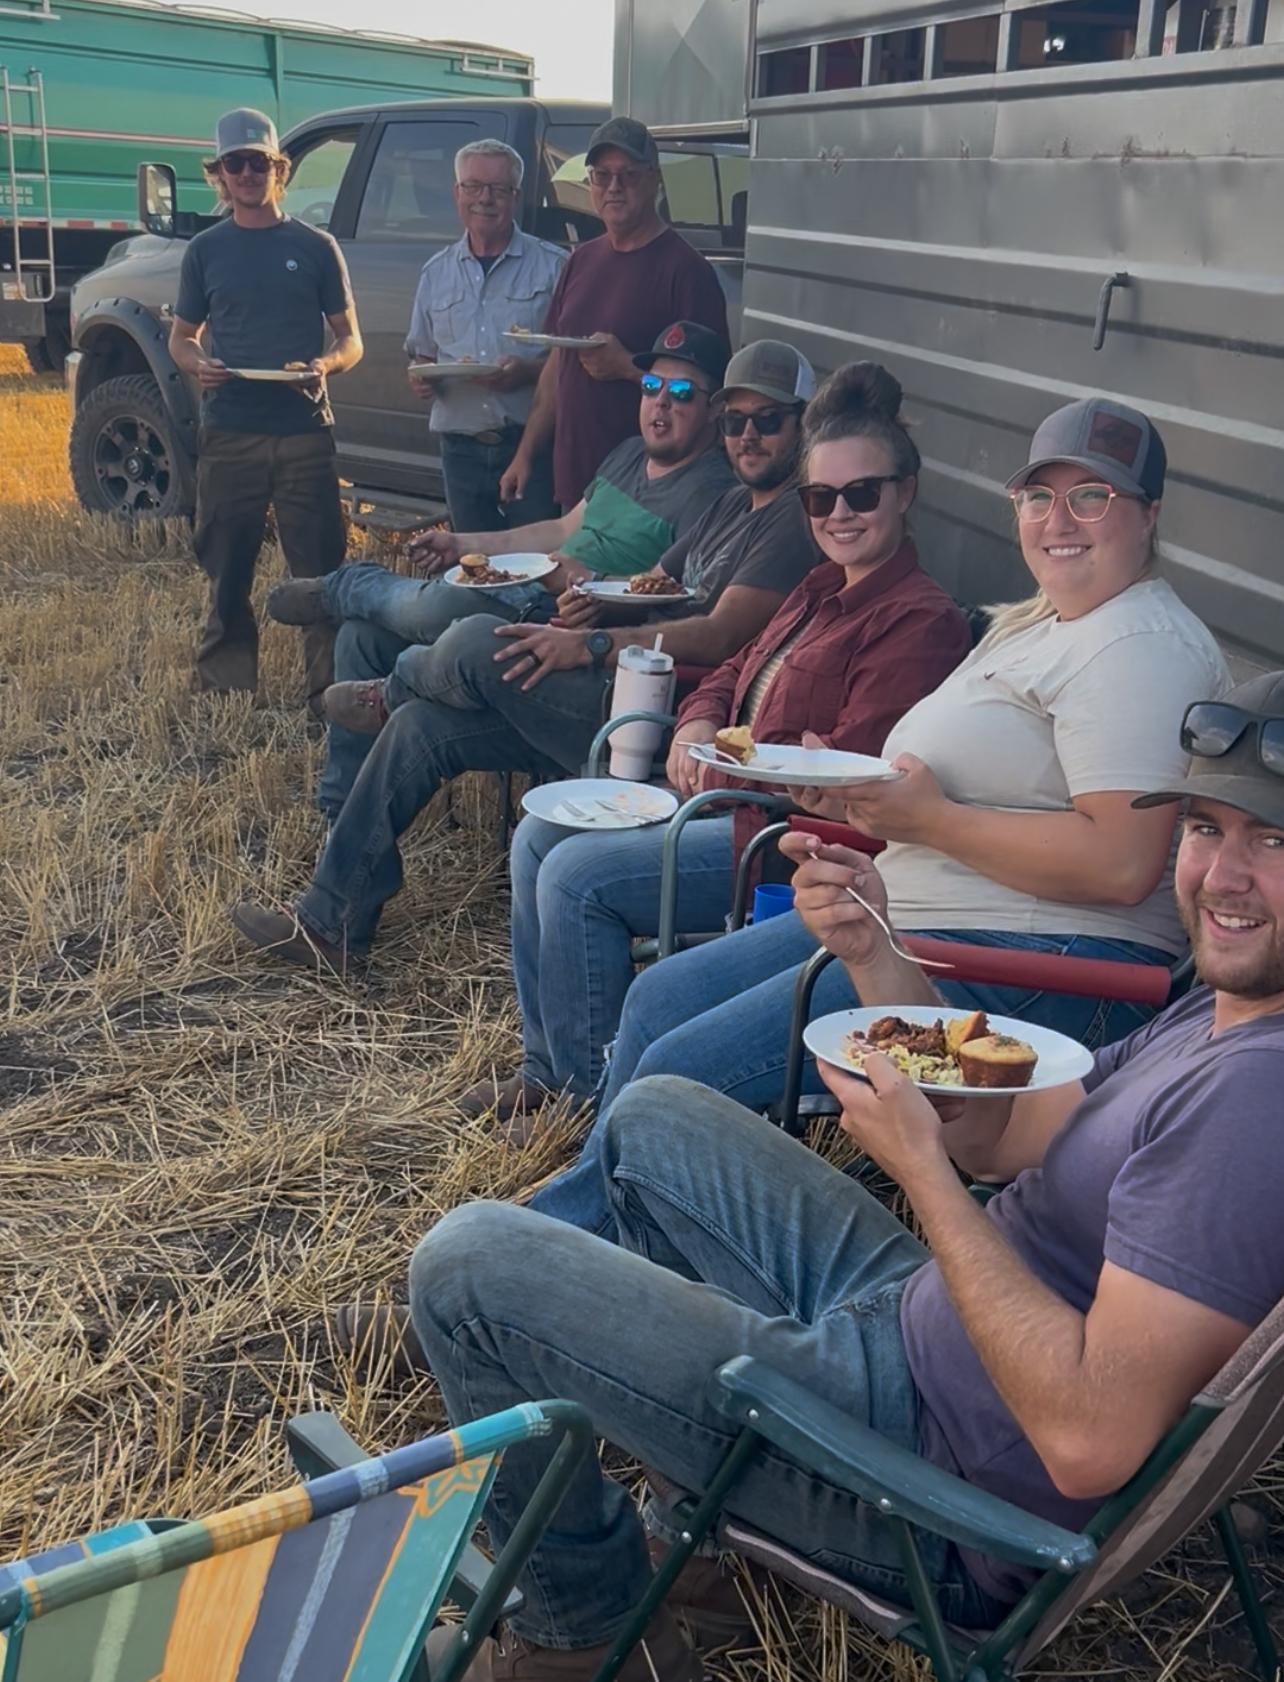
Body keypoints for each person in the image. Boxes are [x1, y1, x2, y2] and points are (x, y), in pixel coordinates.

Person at [391, 669, 1284, 1682]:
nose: (1222, 874)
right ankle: (680, 1482)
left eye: (1274, 840)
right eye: (1208, 828)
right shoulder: (1219, 1018)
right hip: (930, 1333)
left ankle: (584, 1628)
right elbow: (1010, 1135)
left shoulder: (1255, 1106)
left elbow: (1086, 1440)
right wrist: (875, 954)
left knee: (467, 1267)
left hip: (922, 1481)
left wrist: (924, 1177)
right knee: (653, 1119)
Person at [532, 395, 1230, 1233]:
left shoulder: (1139, 647)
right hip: (906, 924)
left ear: (1148, 516)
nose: (1059, 520)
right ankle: (582, 1221)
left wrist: (924, 820)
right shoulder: (1041, 625)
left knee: (680, 1070)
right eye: (1040, 497)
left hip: (1027, 967)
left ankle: (553, 1255)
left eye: (1093, 497)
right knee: (660, 1000)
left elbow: (1120, 865)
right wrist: (857, 798)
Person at [469, 360, 973, 1122]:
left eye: (861, 494)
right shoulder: (818, 589)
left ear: (904, 492)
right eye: (820, 497)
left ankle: (586, 1098)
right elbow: (730, 669)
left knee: (576, 876)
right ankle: (553, 1069)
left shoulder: (916, 620)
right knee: (538, 834)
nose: (839, 514)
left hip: (777, 838)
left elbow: (848, 777)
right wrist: (702, 719)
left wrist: (731, 767)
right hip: (719, 797)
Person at [229, 343, 826, 970]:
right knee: (421, 727)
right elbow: (651, 584)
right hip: (608, 673)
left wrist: (591, 642)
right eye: (737, 420)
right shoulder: (735, 502)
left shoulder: (788, 522)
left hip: (647, 714)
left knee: (472, 639)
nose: (748, 435)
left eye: (768, 421)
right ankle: (333, 922)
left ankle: (392, 687)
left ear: (803, 424)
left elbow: (718, 635)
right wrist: (594, 603)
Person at [267, 322, 734, 821]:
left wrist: (589, 580)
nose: (660, 402)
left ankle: (343, 589)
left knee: (452, 606)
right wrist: (463, 544)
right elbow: (556, 530)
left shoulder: (712, 492)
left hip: (569, 628)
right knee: (359, 638)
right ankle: (340, 808)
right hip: (530, 594)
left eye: (681, 392)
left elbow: (662, 594)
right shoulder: (626, 455)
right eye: (650, 387)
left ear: (714, 410)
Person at [169, 107, 363, 713]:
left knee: (321, 573)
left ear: (279, 170)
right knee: (226, 565)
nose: (248, 173)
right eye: (236, 164)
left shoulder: (314, 247)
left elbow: (351, 340)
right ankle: (226, 691)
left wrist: (324, 367)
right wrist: (196, 363)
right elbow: (182, 337)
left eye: (259, 162)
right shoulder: (205, 251)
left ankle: (327, 694)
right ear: (220, 176)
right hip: (230, 429)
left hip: (304, 429)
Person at [503, 116, 728, 513]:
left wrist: (626, 367)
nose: (613, 187)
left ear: (655, 180)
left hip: (649, 492)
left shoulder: (687, 271)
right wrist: (526, 454)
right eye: (601, 175)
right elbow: (558, 366)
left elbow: (710, 399)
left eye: (628, 175)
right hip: (575, 483)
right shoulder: (581, 260)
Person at [405, 139, 564, 530]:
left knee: (533, 567)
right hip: (460, 448)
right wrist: (424, 377)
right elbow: (421, 354)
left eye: (498, 188)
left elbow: (572, 361)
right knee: (470, 571)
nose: (485, 199)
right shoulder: (435, 273)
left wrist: (526, 372)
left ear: (517, 196)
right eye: (473, 186)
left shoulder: (555, 268)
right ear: (457, 193)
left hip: (531, 444)